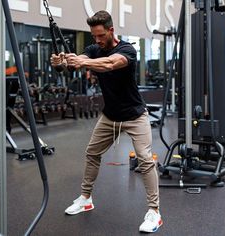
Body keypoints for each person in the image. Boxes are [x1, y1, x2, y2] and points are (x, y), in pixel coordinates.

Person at [50, 10, 162, 233]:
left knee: (145, 160)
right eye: (94, 36)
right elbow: (77, 62)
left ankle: (154, 213)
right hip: (110, 116)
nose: (97, 40)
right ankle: (86, 198)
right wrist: (60, 63)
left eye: (101, 35)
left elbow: (110, 64)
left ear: (111, 30)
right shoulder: (94, 49)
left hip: (135, 116)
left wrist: (84, 63)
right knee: (92, 152)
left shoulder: (127, 50)